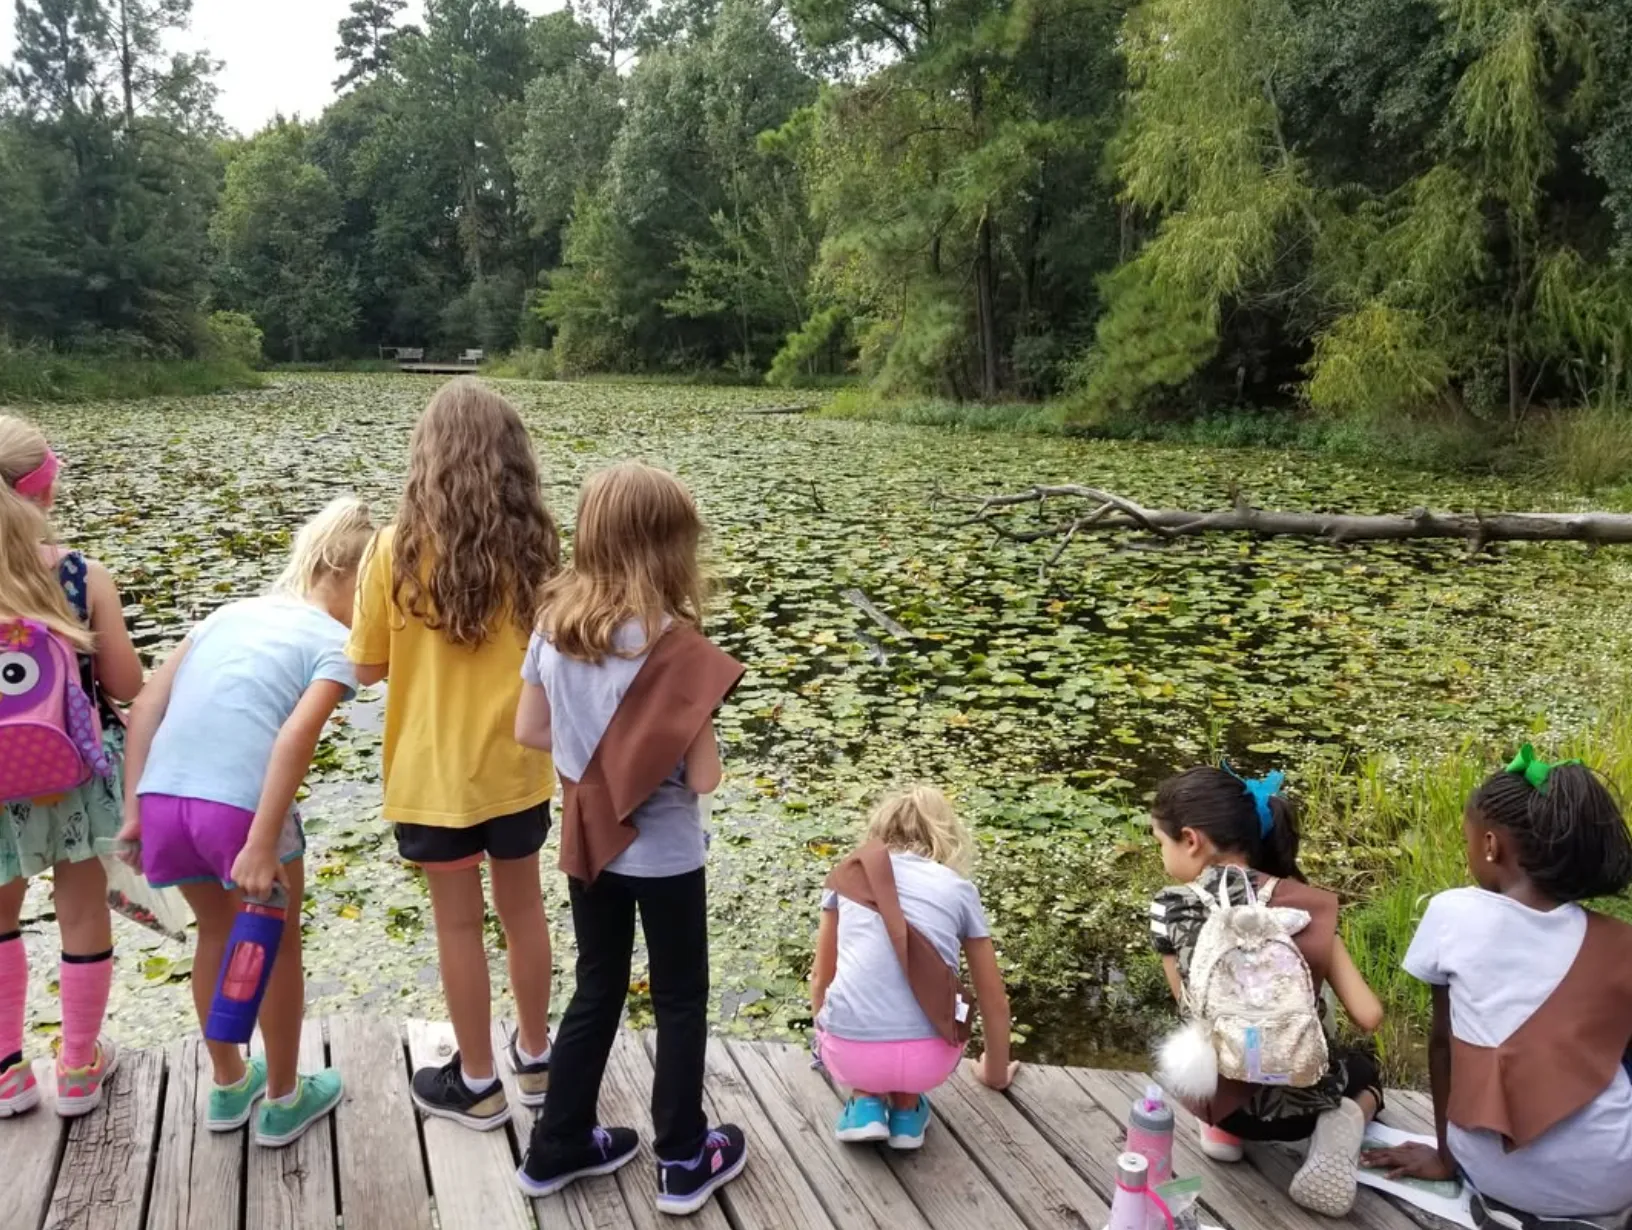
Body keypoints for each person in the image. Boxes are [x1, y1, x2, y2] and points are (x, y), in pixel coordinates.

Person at [514, 461, 747, 1217]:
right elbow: (704, 777)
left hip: (591, 843)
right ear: (667, 548)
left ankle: (556, 1146)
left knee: (596, 985)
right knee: (679, 998)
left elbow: (530, 729)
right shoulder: (677, 648)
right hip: (667, 855)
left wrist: (593, 759)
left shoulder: (553, 629)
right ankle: (683, 1156)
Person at [119, 498, 372, 1146]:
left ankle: (230, 1084)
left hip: (163, 795)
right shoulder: (337, 642)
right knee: (278, 947)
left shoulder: (228, 614)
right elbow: (294, 736)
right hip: (241, 809)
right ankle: (285, 1098)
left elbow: (145, 706)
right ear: (354, 577)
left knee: (214, 932)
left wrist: (134, 810)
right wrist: (262, 844)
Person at [347, 380, 558, 1131]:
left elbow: (366, 667)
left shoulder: (390, 550)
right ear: (514, 459)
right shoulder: (537, 550)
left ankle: (476, 1081)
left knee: (458, 927)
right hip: (517, 766)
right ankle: (537, 1059)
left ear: (426, 456)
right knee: (524, 911)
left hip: (433, 775)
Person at [1363, 747, 1632, 1230]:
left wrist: (1446, 1156)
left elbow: (1442, 1046)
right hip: (1611, 1186)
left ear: (1491, 845)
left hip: (1491, 1176)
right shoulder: (1622, 943)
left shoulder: (1451, 912)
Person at [1149, 765, 1385, 1217]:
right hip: (1301, 1109)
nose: (1162, 853)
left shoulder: (1169, 906)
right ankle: (1343, 1123)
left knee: (1197, 1038)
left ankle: (1221, 1134)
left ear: (1191, 840)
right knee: (1365, 1069)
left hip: (1216, 1099)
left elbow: (1187, 1007)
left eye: (1161, 842)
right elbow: (1369, 1016)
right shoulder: (1308, 905)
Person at [0, 416, 144, 1119]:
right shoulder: (82, 575)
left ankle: (6, 1073)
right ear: (45, 491)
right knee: (82, 911)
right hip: (74, 777)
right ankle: (80, 1068)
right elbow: (125, 684)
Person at [810, 786, 1015, 1150]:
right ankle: (907, 1110)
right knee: (917, 1028)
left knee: (865, 1017)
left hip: (851, 1054)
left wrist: (826, 1042)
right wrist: (994, 1074)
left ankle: (864, 1103)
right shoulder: (958, 888)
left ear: (877, 831)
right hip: (930, 1062)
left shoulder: (846, 877)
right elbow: (993, 1001)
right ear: (945, 836)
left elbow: (820, 979)